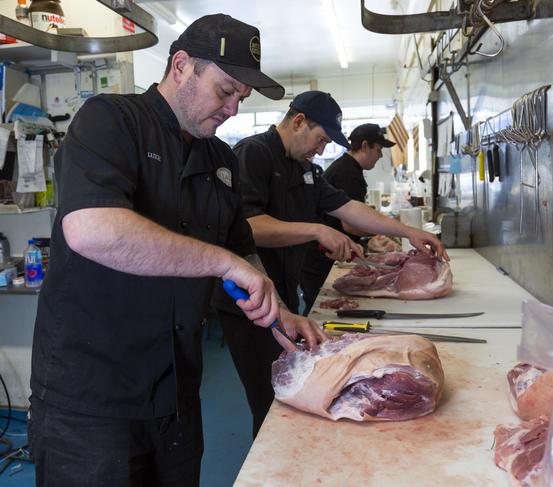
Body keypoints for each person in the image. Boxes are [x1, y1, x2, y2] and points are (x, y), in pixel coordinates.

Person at [29, 14, 325, 487]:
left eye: (241, 99)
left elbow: (240, 249)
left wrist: (278, 311)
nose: (231, 109)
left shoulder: (221, 160)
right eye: (225, 91)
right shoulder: (110, 120)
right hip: (92, 403)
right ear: (181, 65)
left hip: (177, 393)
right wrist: (221, 261)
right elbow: (90, 230)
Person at [217, 90, 449, 435]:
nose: (322, 150)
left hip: (285, 295)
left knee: (297, 388)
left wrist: (408, 231)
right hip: (250, 301)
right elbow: (249, 226)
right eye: (321, 139)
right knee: (270, 403)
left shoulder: (306, 169)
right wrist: (315, 231)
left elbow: (349, 208)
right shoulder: (254, 154)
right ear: (298, 122)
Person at [300, 123, 396, 314]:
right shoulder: (348, 173)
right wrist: (385, 229)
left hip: (325, 254)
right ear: (365, 146)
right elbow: (351, 225)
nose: (380, 156)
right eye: (378, 150)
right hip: (321, 257)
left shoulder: (347, 167)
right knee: (320, 313)